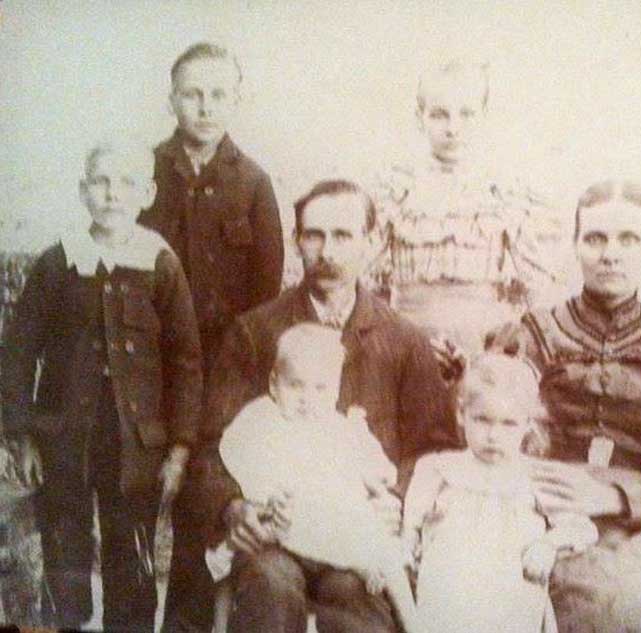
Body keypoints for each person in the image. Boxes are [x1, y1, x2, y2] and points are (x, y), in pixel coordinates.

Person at [189, 178, 457, 633]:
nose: (327, 250)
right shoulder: (255, 333)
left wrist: (398, 500)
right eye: (314, 235)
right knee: (271, 583)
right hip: (278, 530)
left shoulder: (404, 341)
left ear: (371, 243)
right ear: (297, 243)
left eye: (343, 235)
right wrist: (233, 508)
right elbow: (211, 444)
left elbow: (435, 448)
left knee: (358, 599)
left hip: (355, 530)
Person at [489, 179, 641, 632]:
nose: (610, 254)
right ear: (576, 244)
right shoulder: (534, 334)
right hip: (547, 503)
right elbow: (493, 431)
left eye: (628, 239)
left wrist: (613, 497)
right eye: (595, 238)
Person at [0, 139, 202, 631]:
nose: (114, 194)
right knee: (64, 540)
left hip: (138, 441)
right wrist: (22, 434)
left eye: (127, 183)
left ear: (148, 192)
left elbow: (186, 360)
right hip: (66, 434)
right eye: (101, 181)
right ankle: (67, 622)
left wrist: (178, 447)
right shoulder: (57, 263)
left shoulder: (159, 262)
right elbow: (19, 352)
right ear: (82, 190)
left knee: (130, 547)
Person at [142, 42, 284, 633]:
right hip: (155, 369)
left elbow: (267, 289)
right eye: (192, 94)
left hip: (225, 372)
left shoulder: (252, 183)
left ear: (236, 99)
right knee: (149, 498)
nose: (205, 106)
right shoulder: (143, 172)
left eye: (218, 94)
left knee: (209, 495)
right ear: (171, 98)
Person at [207, 324, 423, 633]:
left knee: (381, 559)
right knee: (271, 579)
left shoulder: (340, 428)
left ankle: (413, 622)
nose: (308, 398)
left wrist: (383, 491)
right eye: (296, 385)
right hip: (284, 526)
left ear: (335, 390)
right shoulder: (261, 420)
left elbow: (380, 471)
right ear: (274, 383)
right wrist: (262, 496)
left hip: (333, 526)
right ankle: (367, 569)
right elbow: (234, 451)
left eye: (320, 388)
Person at [372, 61, 564, 356]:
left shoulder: (504, 191)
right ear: (419, 118)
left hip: (482, 341)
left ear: (484, 117)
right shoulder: (396, 187)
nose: (453, 128)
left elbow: (536, 284)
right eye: (439, 115)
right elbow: (363, 273)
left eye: (466, 114)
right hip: (406, 339)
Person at [403, 352, 598, 633]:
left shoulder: (534, 477)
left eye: (508, 424)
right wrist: (408, 542)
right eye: (482, 420)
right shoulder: (438, 470)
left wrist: (549, 545)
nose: (494, 436)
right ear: (462, 414)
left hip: (508, 604)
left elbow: (582, 528)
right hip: (447, 600)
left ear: (528, 425)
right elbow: (411, 523)